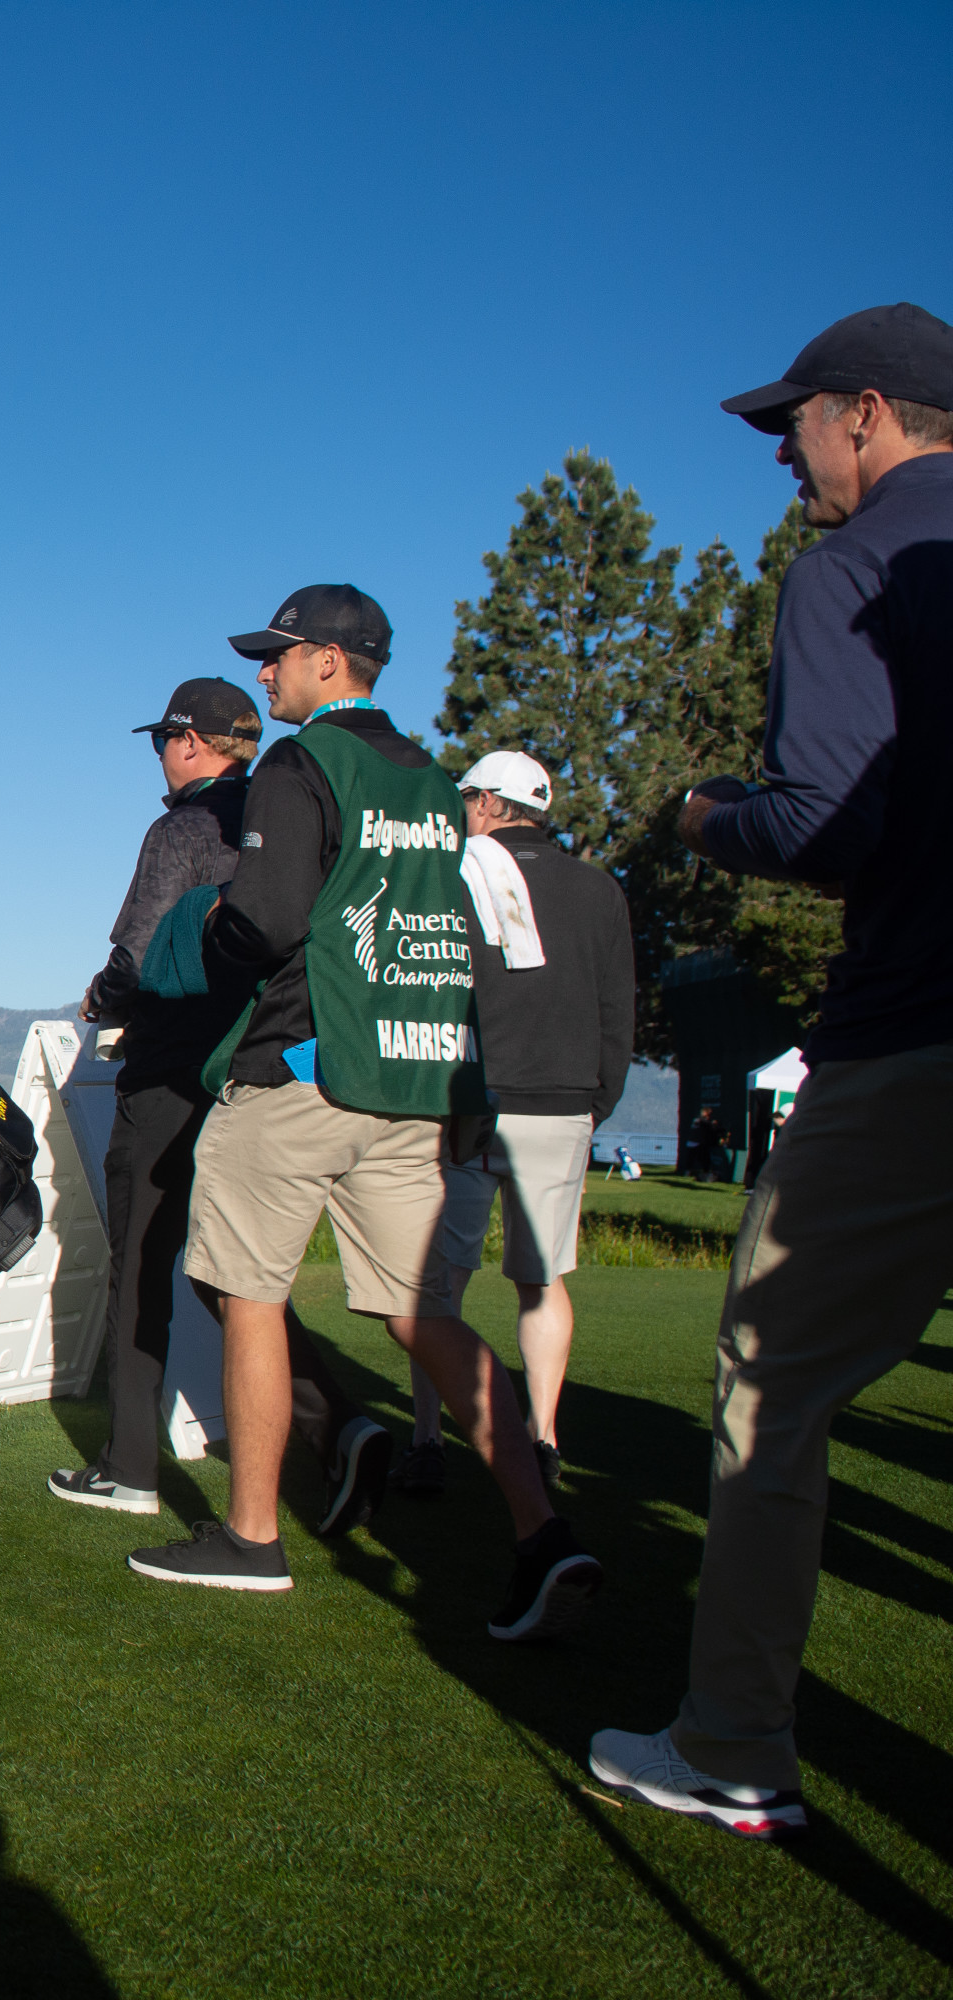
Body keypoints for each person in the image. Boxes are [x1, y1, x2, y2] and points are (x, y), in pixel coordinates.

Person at [592, 301, 953, 1840]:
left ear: (864, 414)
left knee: (772, 1388)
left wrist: (706, 821)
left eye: (791, 426)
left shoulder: (853, 568)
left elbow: (822, 825)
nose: (783, 459)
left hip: (917, 1030)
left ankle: (733, 1739)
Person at [133, 584, 600, 1644]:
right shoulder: (436, 781)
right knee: (421, 1314)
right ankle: (542, 1525)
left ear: (331, 662)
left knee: (242, 1290)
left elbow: (264, 921)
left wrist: (188, 945)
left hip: (302, 1064)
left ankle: (253, 1533)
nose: (266, 673)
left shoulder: (303, 766)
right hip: (414, 1081)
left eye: (279, 655)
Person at [51, 678, 391, 1529]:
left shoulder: (183, 826)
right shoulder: (289, 813)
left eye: (162, 740)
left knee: (142, 1267)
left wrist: (101, 999)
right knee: (233, 1276)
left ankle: (129, 1465)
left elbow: (134, 958)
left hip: (170, 1070)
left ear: (192, 742)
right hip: (254, 1070)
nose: (160, 758)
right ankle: (339, 1423)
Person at [401, 751, 633, 1494]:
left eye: (467, 797)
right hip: (562, 1101)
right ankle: (544, 1435)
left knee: (440, 1282)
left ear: (492, 804)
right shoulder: (599, 891)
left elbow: (436, 988)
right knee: (542, 1278)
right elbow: (616, 1009)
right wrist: (600, 1097)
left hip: (469, 1098)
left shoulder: (454, 874)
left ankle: (431, 1435)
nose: (461, 810)